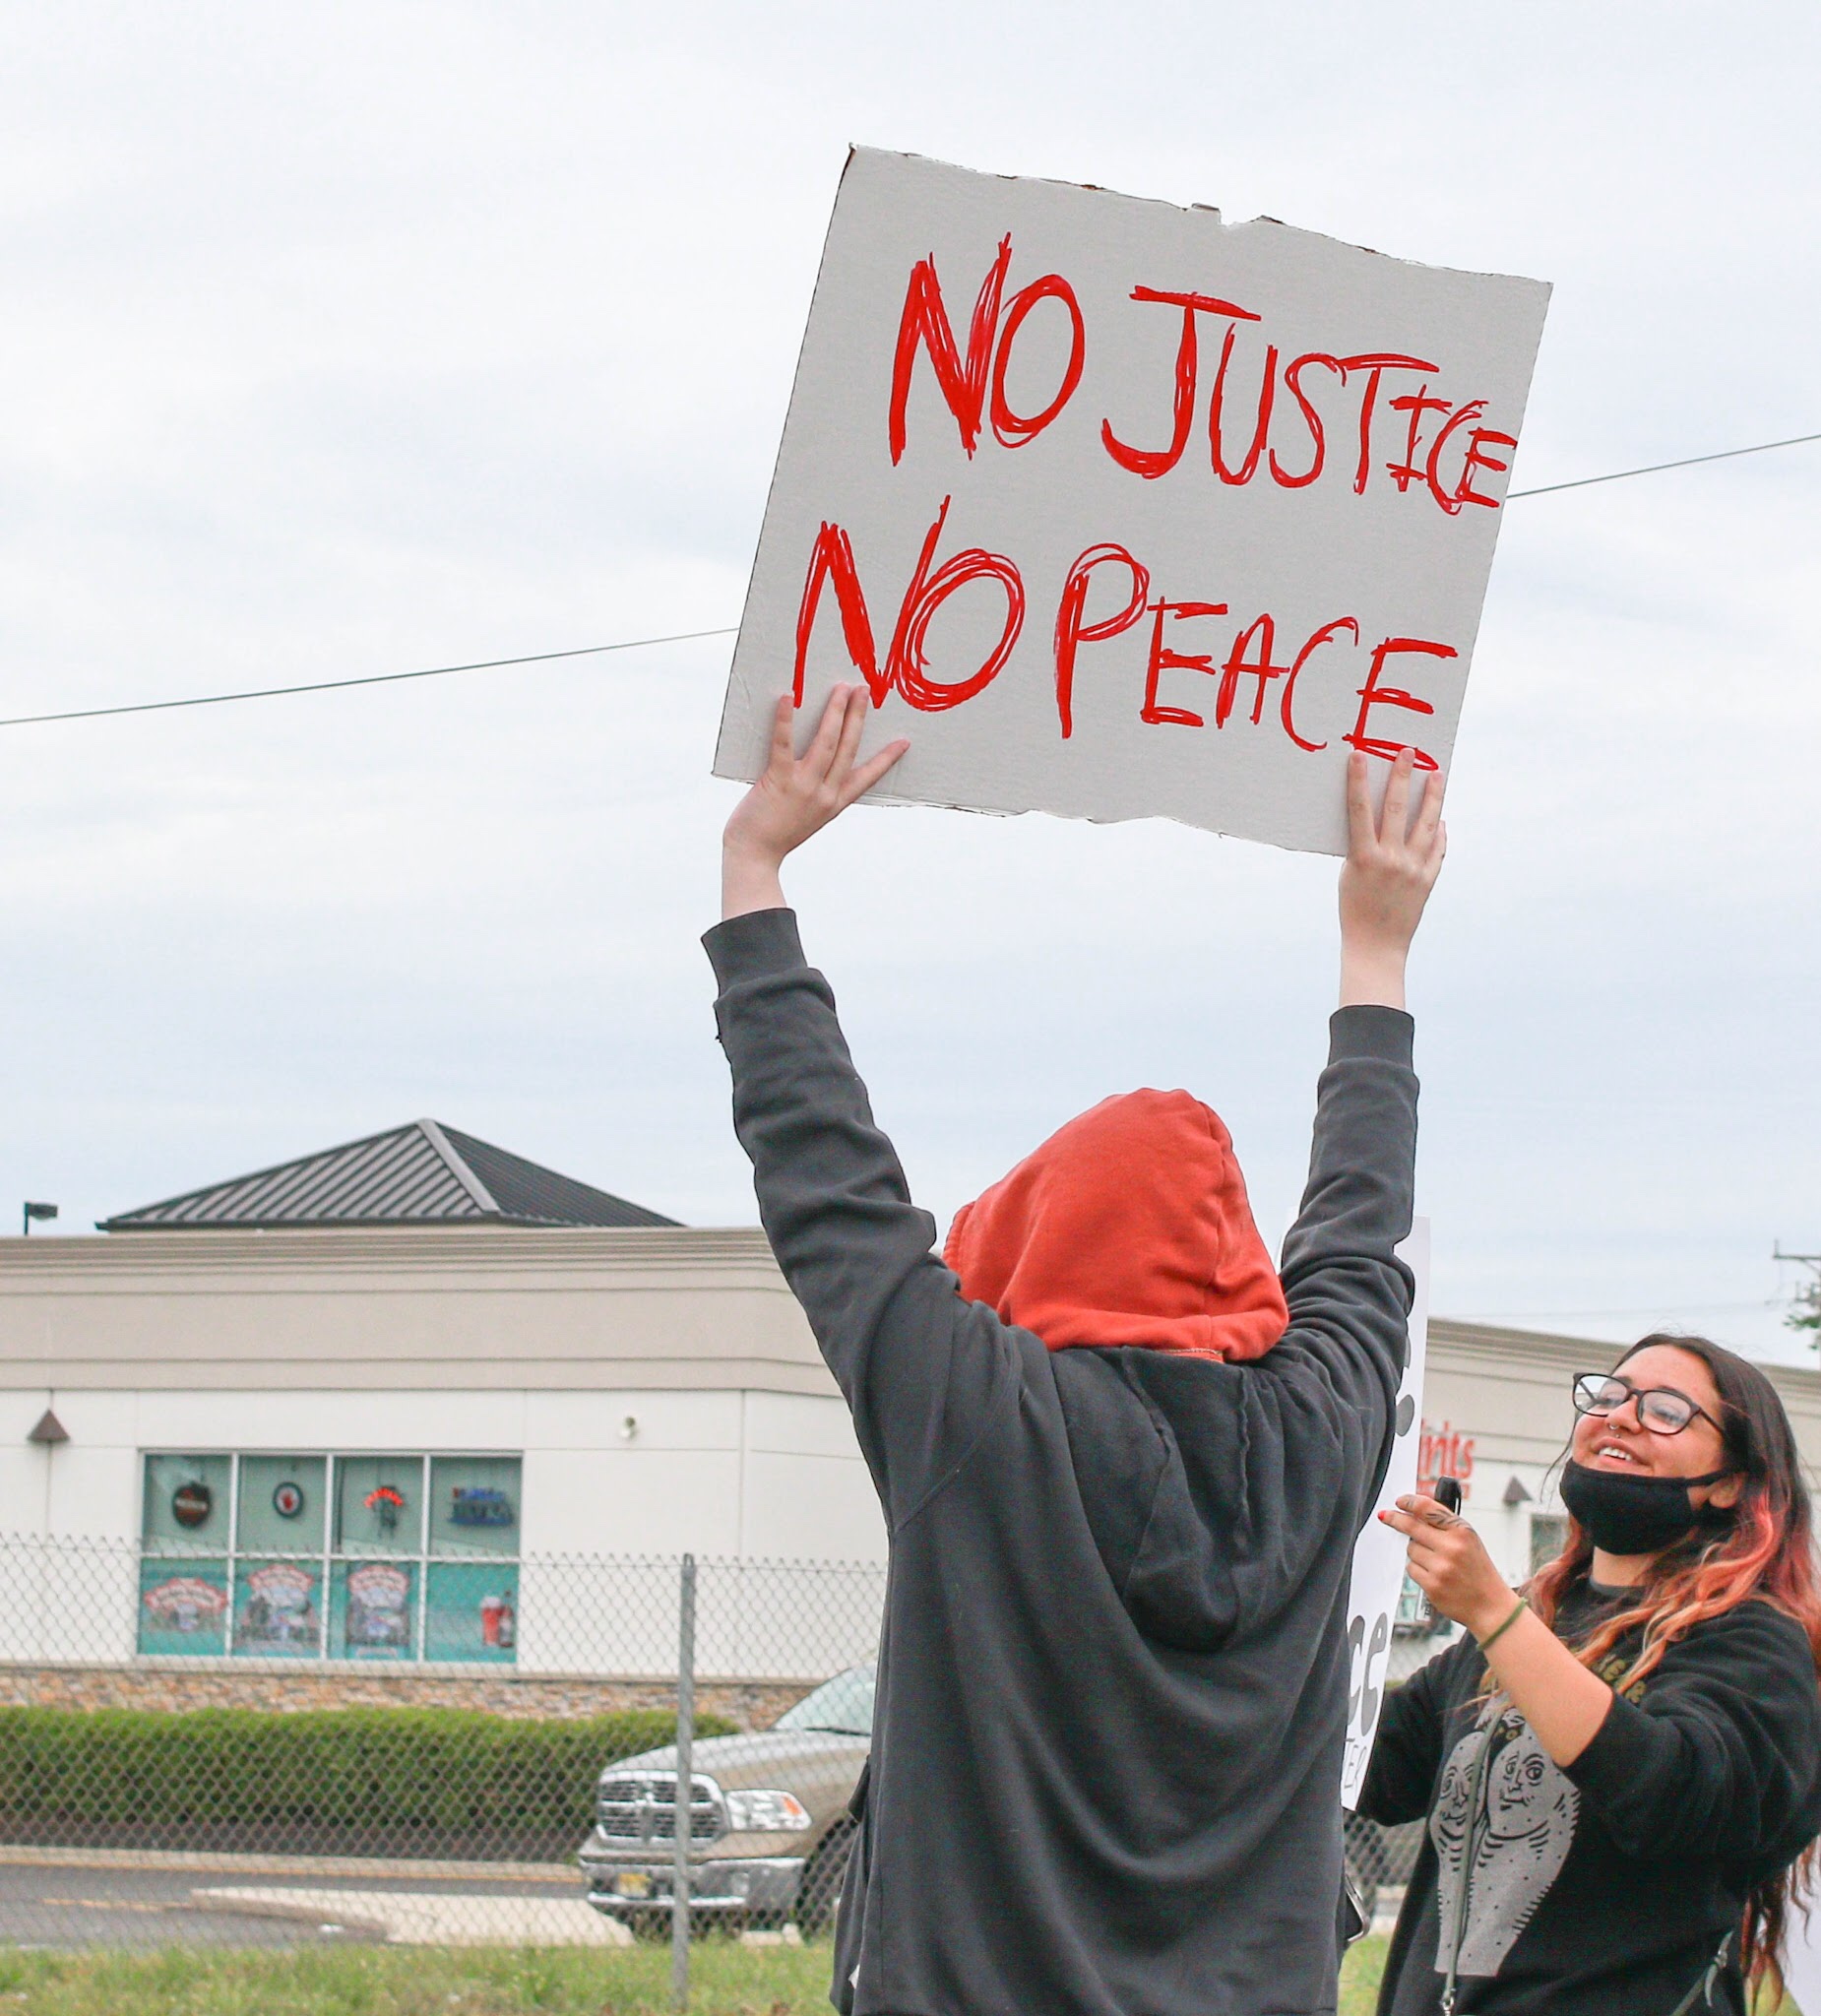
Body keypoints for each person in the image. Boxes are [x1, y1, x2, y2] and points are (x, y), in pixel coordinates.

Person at [707, 682, 1445, 2016]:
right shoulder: (1325, 1427)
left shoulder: (972, 1412)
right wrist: (1374, 953)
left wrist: (753, 871)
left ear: (1025, 1253)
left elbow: (824, 1178)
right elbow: (1358, 1228)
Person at [1361, 1335, 1821, 2015]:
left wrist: (1492, 1614)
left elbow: (1672, 1795)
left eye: (1667, 1410)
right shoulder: (1534, 1619)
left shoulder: (1754, 1643)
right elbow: (1370, 1769)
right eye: (1609, 1397)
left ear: (1729, 1483)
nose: (1622, 1417)